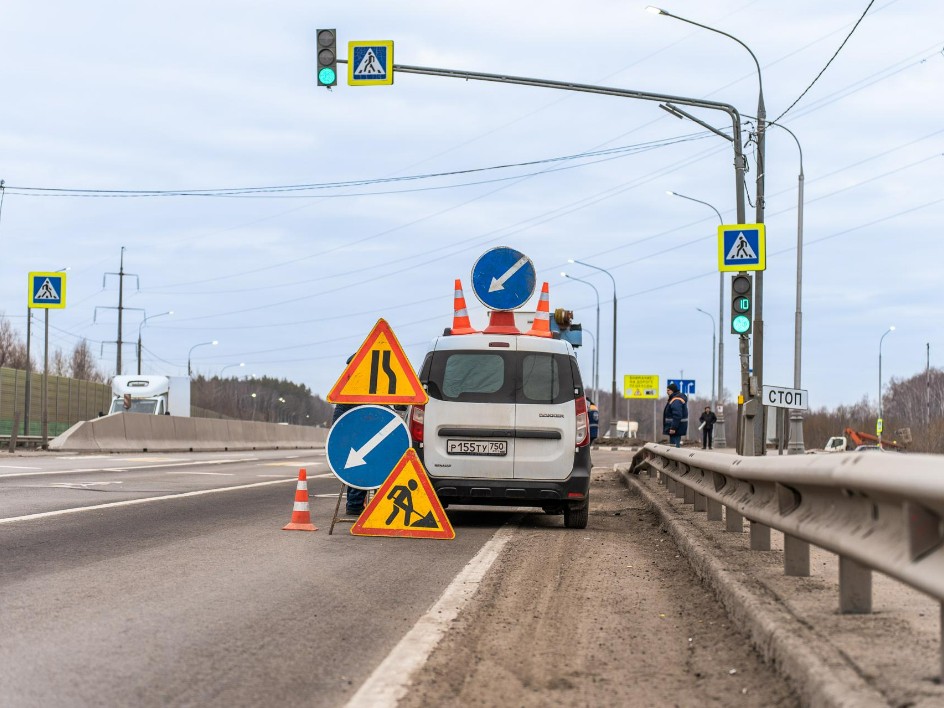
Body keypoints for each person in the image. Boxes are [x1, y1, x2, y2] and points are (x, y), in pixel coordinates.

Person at [662, 383, 688, 448]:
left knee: (674, 448)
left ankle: (675, 458)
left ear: (672, 390)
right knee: (674, 447)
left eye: (668, 390)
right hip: (676, 427)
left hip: (675, 428)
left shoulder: (676, 400)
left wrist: (673, 428)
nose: (667, 392)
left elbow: (677, 415)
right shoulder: (675, 398)